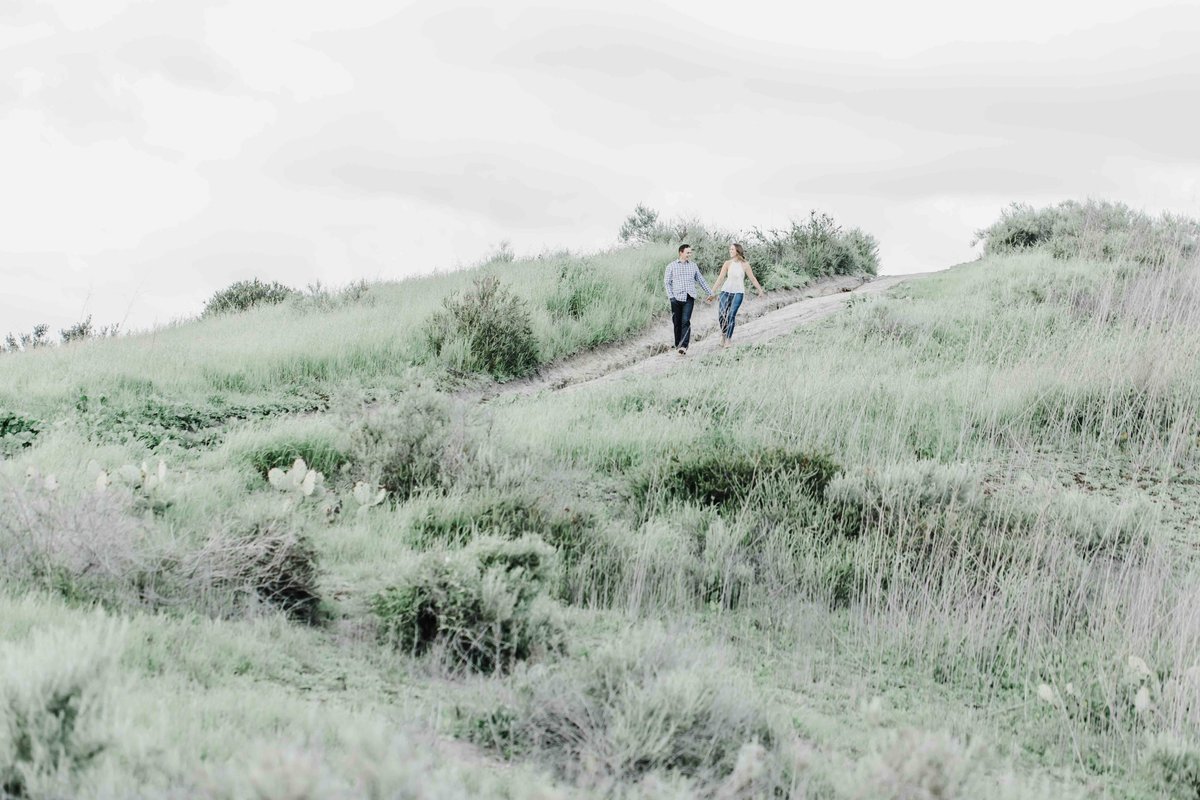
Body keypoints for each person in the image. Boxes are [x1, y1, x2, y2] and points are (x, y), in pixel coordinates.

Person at [706, 243, 763, 348]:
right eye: (730, 249)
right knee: (722, 315)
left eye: (732, 249)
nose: (730, 251)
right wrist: (712, 293)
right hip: (725, 292)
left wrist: (760, 290)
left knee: (731, 315)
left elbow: (753, 279)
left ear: (738, 251)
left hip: (738, 293)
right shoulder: (727, 263)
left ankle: (728, 339)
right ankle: (723, 334)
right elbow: (720, 278)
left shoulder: (745, 264)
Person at [663, 244, 713, 355]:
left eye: (690, 253)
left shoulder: (693, 266)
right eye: (688, 253)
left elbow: (701, 280)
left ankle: (684, 346)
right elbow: (667, 283)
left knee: (685, 321)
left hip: (689, 297)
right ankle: (678, 345)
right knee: (677, 322)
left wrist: (710, 292)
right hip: (675, 298)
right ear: (681, 252)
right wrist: (671, 297)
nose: (689, 255)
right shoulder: (671, 266)